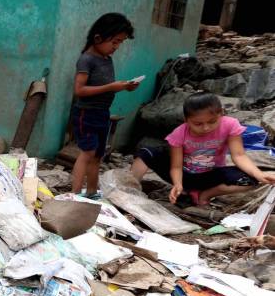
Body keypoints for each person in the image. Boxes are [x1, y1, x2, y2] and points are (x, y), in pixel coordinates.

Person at [132, 93, 275, 206]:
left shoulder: (230, 125)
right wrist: (178, 184)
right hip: (185, 174)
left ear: (221, 113)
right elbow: (176, 166)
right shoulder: (179, 133)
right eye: (198, 124)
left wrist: (259, 174)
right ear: (186, 120)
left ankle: (205, 195)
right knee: (147, 153)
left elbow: (239, 156)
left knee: (249, 180)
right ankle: (129, 188)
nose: (206, 128)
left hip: (211, 175)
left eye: (212, 121)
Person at [69, 13, 139, 199]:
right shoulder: (86, 59)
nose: (116, 47)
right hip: (86, 113)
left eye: (120, 43)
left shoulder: (107, 59)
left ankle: (92, 191)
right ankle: (74, 194)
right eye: (114, 42)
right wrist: (111, 86)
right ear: (98, 38)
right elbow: (79, 90)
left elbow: (106, 89)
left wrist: (125, 87)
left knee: (98, 154)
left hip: (102, 113)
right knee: (87, 152)